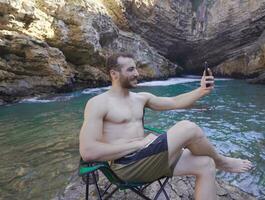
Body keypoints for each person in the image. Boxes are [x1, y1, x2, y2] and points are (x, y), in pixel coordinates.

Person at [79, 53, 253, 200]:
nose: (137, 73)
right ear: (114, 74)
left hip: (148, 159)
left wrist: (201, 91)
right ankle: (222, 162)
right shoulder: (98, 103)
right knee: (187, 127)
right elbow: (88, 152)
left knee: (205, 164)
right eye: (130, 69)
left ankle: (215, 162)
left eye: (136, 68)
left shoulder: (141, 98)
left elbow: (175, 101)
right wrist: (138, 144)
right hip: (127, 166)